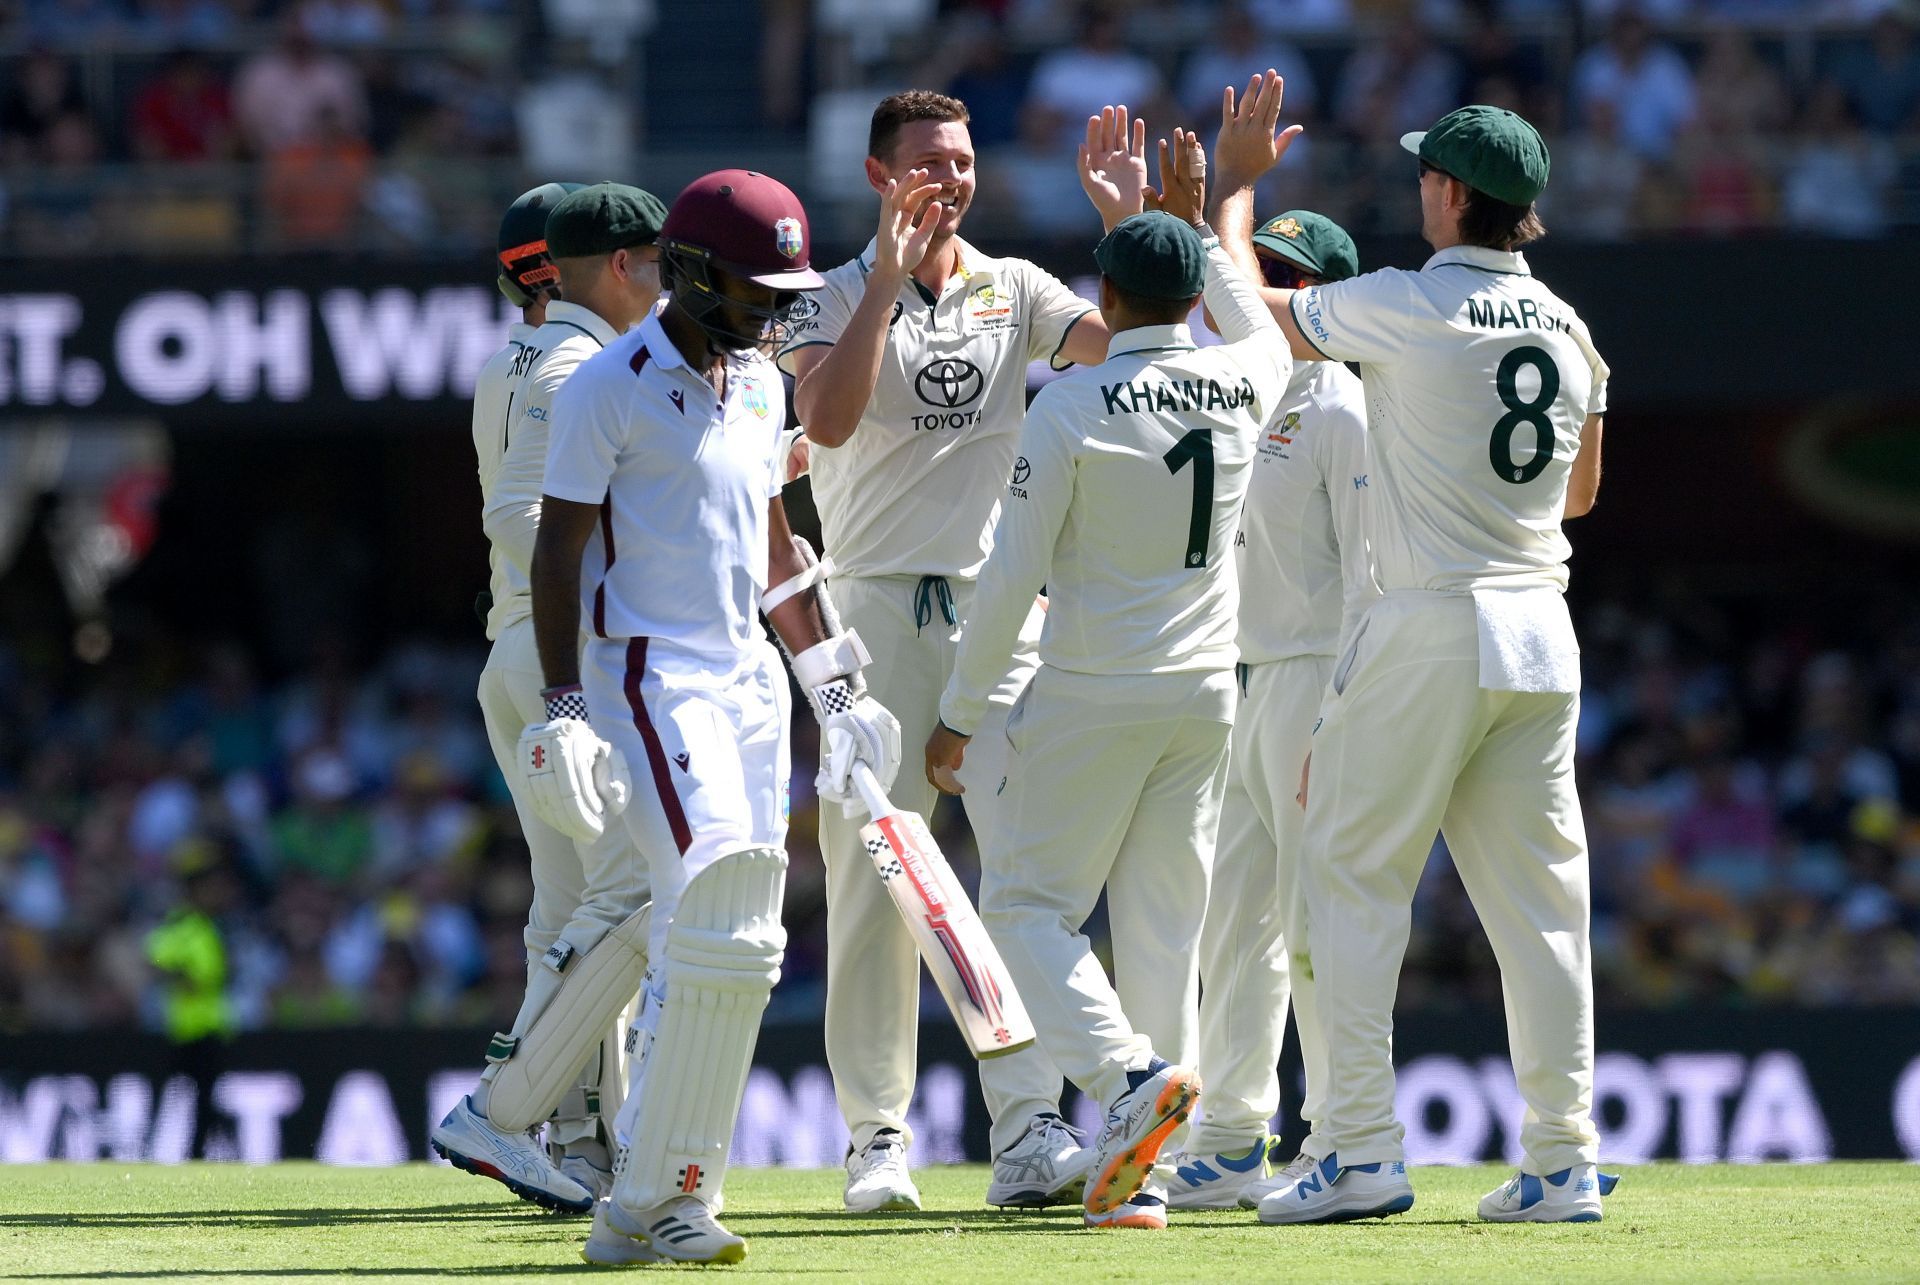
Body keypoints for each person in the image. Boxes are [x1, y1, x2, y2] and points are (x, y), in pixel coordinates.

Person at [1206, 76, 1612, 1224]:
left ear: (1445, 192)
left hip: (1430, 618)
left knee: (1344, 875)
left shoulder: (1405, 300)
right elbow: (1578, 493)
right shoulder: (1573, 327)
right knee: (1543, 911)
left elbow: (1253, 310)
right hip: (1542, 623)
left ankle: (1356, 1147)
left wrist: (1234, 190)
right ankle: (1562, 1158)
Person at [520, 169, 901, 1266]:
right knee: (716, 904)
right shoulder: (609, 386)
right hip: (648, 673)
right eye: (753, 284)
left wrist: (834, 684)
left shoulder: (761, 383)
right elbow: (557, 548)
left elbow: (776, 546)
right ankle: (662, 1195)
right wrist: (561, 705)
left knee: (748, 938)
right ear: (686, 274)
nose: (774, 307)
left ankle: (659, 1194)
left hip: (747, 679)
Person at [926, 112, 1290, 1231]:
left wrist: (958, 714)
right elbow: (1241, 315)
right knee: (1165, 927)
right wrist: (1187, 220)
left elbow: (1008, 576)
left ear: (1104, 295)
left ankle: (1131, 1084)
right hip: (1204, 694)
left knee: (1029, 908)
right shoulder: (1249, 379)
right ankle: (1148, 1171)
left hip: (1094, 687)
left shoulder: (1072, 402)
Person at [777, 90, 1110, 1213]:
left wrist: (1131, 228)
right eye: (927, 161)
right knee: (878, 885)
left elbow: (1119, 349)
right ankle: (877, 1138)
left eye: (962, 160)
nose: (950, 178)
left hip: (998, 613)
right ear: (879, 175)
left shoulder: (1014, 288)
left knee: (1022, 879)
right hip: (866, 615)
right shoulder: (821, 295)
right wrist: (881, 278)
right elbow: (823, 421)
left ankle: (1028, 1128)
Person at [431, 182, 666, 1212]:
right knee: (641, 896)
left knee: (568, 911)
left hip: (514, 655)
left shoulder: (507, 360)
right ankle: (509, 1110)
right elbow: (529, 511)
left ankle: (573, 1141)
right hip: (566, 655)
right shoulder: (583, 365)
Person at [1163, 207, 1374, 1212]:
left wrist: (1338, 711)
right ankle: (1232, 1135)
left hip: (1309, 675)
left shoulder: (1339, 403)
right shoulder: (1246, 394)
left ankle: (1340, 1133)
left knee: (1312, 922)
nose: (1266, 294)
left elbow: (1371, 576)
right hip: (1237, 678)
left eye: (1289, 277)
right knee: (1230, 924)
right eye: (1261, 271)